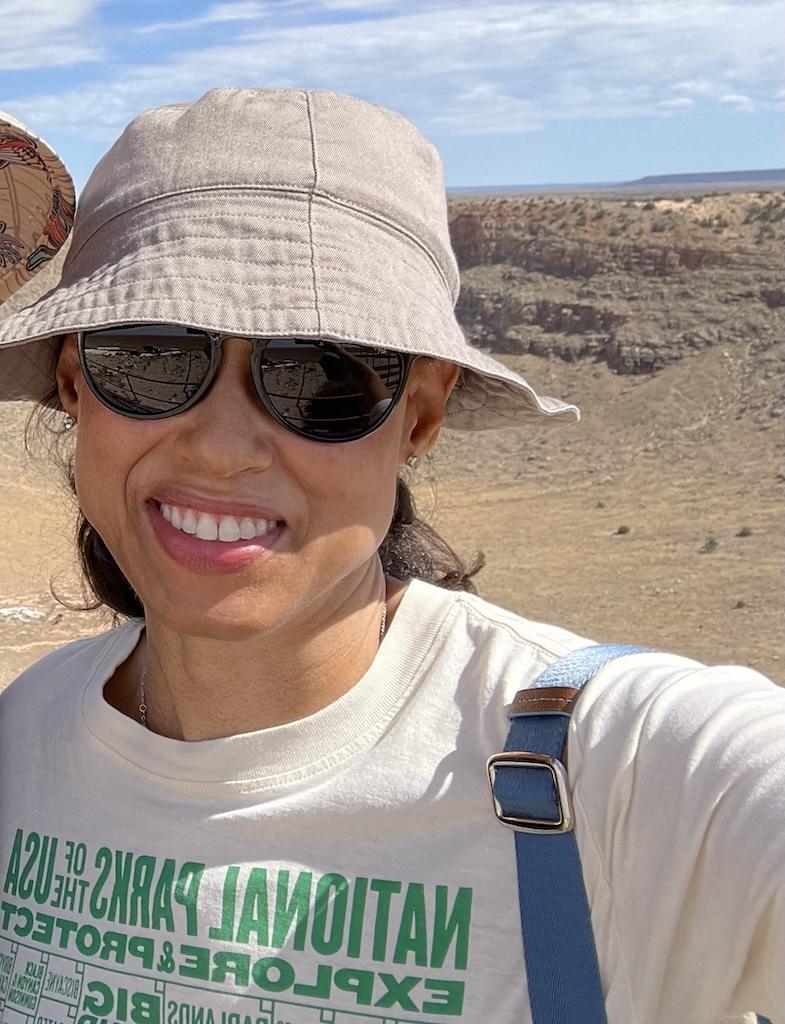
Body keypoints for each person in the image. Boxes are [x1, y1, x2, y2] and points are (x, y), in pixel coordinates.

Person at [0, 88, 782, 1024]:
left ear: (420, 414)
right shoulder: (21, 741)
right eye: (153, 357)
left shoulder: (634, 773)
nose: (222, 447)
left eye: (322, 375)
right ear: (74, 384)